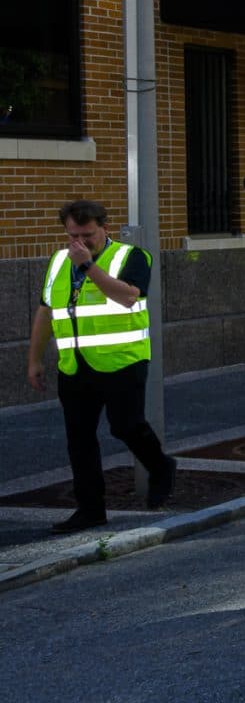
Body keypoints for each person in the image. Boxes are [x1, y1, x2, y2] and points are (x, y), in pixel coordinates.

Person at [29, 201, 176, 534]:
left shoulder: (131, 257)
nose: (81, 242)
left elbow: (128, 297)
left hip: (122, 359)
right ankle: (90, 509)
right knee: (79, 439)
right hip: (75, 365)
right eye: (73, 235)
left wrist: (89, 268)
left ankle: (160, 466)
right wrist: (34, 359)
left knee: (125, 425)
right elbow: (45, 311)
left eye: (88, 234)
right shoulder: (57, 262)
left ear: (104, 228)